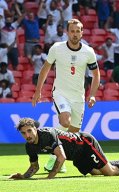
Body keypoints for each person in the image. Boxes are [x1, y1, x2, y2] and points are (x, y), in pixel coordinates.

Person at [32, 19, 101, 171]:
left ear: (82, 33)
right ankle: (48, 145)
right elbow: (45, 69)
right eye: (72, 31)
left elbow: (96, 75)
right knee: (65, 120)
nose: (75, 34)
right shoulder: (57, 48)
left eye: (78, 31)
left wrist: (93, 95)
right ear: (67, 32)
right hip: (60, 93)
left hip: (79, 97)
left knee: (73, 134)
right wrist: (38, 90)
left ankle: (55, 159)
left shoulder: (88, 52)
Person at [9, 118, 119, 180]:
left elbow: (60, 157)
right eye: (23, 133)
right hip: (77, 156)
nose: (27, 135)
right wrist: (23, 176)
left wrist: (50, 177)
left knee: (109, 172)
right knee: (96, 172)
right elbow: (34, 167)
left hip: (85, 144)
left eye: (29, 131)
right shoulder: (29, 146)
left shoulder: (47, 134)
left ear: (35, 129)